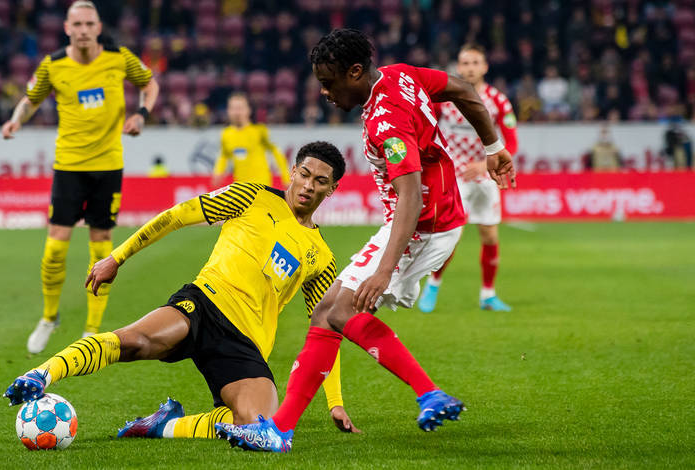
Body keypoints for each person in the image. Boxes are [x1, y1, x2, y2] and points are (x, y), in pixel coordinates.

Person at [216, 28, 515, 452]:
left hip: (420, 224)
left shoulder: (385, 122)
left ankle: (428, 394)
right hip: (434, 217)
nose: (324, 92)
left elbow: (410, 195)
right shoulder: (400, 75)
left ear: (355, 72)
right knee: (326, 312)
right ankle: (279, 430)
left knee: (339, 310)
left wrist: (384, 270)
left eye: (329, 82)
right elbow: (464, 90)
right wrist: (494, 146)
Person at [4, 142, 362, 439]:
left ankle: (164, 426)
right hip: (203, 305)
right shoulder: (250, 195)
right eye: (304, 174)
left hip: (247, 343)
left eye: (320, 181)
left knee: (260, 426)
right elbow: (177, 215)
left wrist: (335, 402)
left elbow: (325, 333)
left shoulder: (322, 258)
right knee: (135, 341)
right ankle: (42, 374)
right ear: (293, 171)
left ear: (332, 189)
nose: (308, 186)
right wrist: (117, 257)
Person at [1, 1, 159, 354]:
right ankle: (49, 317)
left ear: (99, 28)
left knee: (101, 247)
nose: (84, 30)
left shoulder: (119, 58)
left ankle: (92, 330)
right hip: (69, 166)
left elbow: (150, 85)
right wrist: (15, 120)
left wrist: (142, 113)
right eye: (77, 24)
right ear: (67, 29)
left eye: (89, 24)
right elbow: (31, 99)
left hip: (108, 165)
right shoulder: (53, 65)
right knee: (55, 247)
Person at [418, 43, 519, 313]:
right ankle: (433, 284)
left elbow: (511, 143)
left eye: (475, 63)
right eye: (465, 63)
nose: (470, 68)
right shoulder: (445, 98)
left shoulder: (499, 101)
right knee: (452, 234)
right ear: (458, 67)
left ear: (485, 67)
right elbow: (426, 129)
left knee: (490, 235)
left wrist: (484, 165)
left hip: (486, 174)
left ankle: (488, 295)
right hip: (454, 174)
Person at [211, 93, 291, 188]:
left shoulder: (259, 130)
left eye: (240, 108)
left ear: (248, 110)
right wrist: (218, 172)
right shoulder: (226, 134)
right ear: (228, 111)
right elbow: (224, 155)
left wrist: (286, 177)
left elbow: (276, 152)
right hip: (241, 187)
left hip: (261, 185)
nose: (236, 112)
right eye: (233, 108)